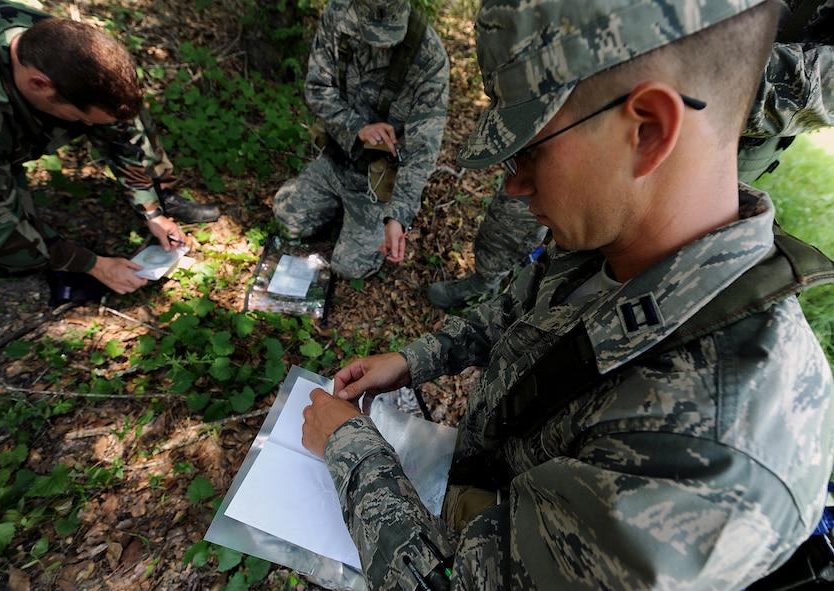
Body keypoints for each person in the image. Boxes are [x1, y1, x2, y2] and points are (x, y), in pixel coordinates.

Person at [301, 0, 834, 589]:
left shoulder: (705, 461)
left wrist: (349, 450)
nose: (512, 183)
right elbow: (523, 310)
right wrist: (415, 360)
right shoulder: (620, 230)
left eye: (530, 150)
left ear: (648, 130)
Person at [427, 0, 834, 309]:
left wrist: (694, 64)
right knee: (558, 231)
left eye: (531, 155)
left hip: (702, 145)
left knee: (617, 255)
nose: (515, 182)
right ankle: (502, 292)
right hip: (594, 110)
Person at [0, 1, 221, 295]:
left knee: (120, 114)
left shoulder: (56, 44)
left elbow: (118, 132)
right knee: (7, 251)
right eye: (79, 118)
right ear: (39, 84)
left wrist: (152, 212)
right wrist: (91, 264)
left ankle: (161, 195)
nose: (87, 127)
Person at [271, 0, 449, 280]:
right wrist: (357, 128)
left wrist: (397, 216)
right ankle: (337, 207)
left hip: (377, 181)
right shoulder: (339, 15)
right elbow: (318, 88)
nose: (383, 46)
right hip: (336, 159)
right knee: (287, 221)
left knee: (350, 267)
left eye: (391, 35)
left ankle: (361, 219)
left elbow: (422, 151)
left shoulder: (428, 57)